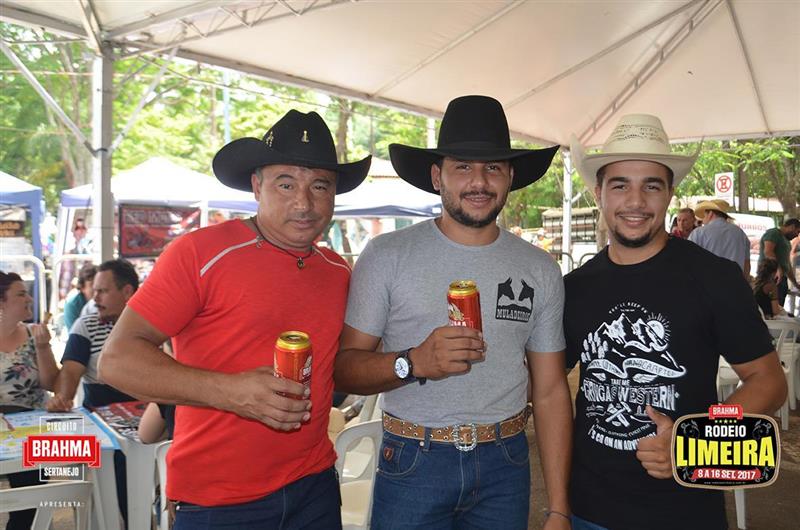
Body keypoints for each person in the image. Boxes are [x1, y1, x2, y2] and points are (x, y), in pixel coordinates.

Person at [99, 109, 370, 529]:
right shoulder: (200, 253)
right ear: (257, 186)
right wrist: (229, 391)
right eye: (286, 183)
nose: (304, 202)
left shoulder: (337, 271)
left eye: (320, 185)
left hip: (314, 486)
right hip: (218, 499)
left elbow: (345, 365)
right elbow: (116, 361)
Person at [336, 95, 572, 530]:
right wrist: (413, 362)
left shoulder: (539, 268)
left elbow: (551, 389)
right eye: (462, 167)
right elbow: (345, 370)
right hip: (413, 459)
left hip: (505, 462)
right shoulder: (387, 255)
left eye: (493, 167)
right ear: (436, 176)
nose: (479, 181)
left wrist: (558, 506)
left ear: (510, 177)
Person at [567, 114, 787, 530]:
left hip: (684, 512)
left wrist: (695, 442)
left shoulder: (715, 278)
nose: (635, 201)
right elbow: (543, 386)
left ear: (669, 193)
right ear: (599, 193)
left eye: (651, 186)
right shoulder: (574, 287)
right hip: (588, 509)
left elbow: (770, 382)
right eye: (620, 185)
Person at [1, 271, 59, 530]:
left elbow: (51, 384)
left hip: (31, 426)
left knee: (30, 504)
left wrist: (44, 347)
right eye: (21, 294)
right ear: (2, 302)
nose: (30, 299)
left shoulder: (33, 334)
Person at [46, 259, 137, 412]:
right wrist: (61, 400)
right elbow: (70, 372)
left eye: (103, 291)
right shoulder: (86, 326)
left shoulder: (154, 327)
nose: (95, 299)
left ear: (127, 292)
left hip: (151, 418)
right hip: (99, 417)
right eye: (94, 291)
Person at [688, 200, 751, 277]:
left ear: (710, 214)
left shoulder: (698, 233)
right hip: (734, 281)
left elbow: (689, 260)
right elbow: (746, 264)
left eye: (704, 215)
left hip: (707, 281)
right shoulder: (740, 233)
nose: (703, 220)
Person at [759, 218, 800, 307]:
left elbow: (787, 263)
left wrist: (795, 283)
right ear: (792, 227)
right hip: (770, 276)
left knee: (779, 307)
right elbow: (768, 251)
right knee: (770, 307)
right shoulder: (774, 233)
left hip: (781, 278)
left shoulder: (786, 241)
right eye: (797, 231)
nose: (797, 235)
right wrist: (778, 268)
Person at [62, 263, 96, 331]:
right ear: (82, 287)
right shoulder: (72, 306)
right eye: (92, 285)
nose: (97, 288)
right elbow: (75, 333)